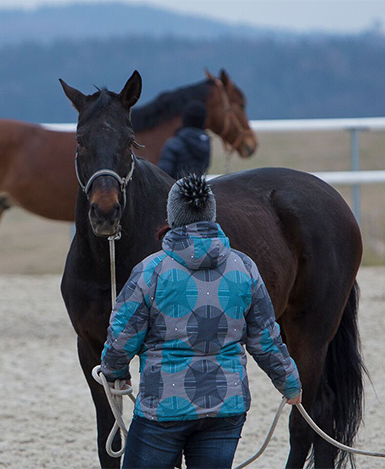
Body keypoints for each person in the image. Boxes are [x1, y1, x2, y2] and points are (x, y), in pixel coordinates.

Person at [100, 174, 302, 469]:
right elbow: (266, 339)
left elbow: (121, 338)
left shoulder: (150, 272)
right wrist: (290, 384)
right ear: (212, 214)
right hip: (226, 409)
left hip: (163, 409)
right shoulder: (244, 267)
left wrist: (113, 370)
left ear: (172, 215)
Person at [157, 102, 211, 178]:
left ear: (185, 118)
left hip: (175, 188)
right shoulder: (206, 143)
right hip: (198, 189)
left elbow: (163, 174)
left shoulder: (173, 143)